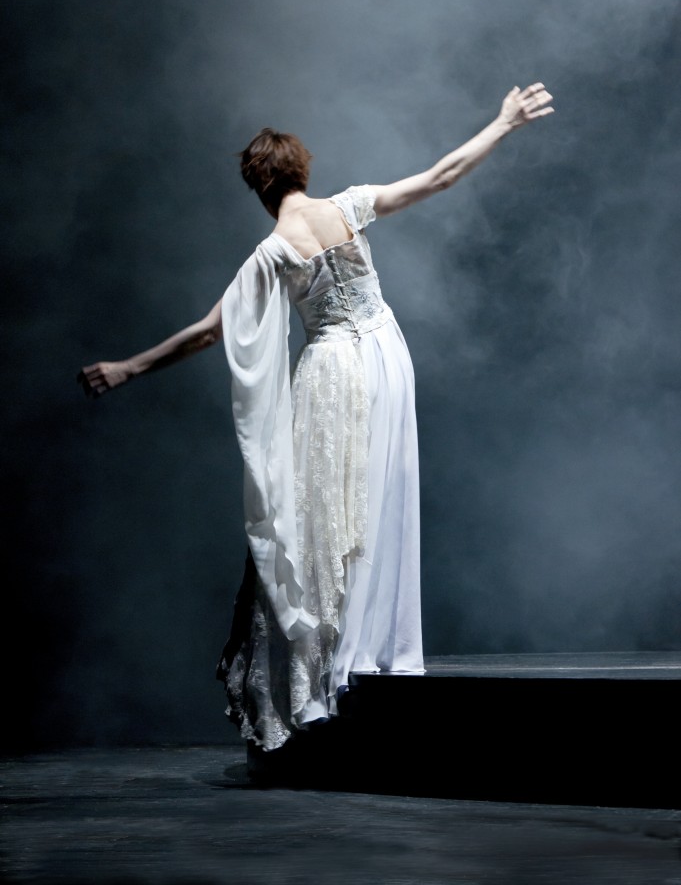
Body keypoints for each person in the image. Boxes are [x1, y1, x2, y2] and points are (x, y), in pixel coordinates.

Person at [79, 83, 554, 751]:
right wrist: (504, 122)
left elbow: (209, 332)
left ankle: (329, 668)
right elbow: (442, 176)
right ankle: (374, 650)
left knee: (319, 514)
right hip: (386, 358)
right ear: (302, 169)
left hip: (333, 368)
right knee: (375, 498)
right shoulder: (347, 207)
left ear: (258, 187)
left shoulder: (271, 253)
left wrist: (129, 367)